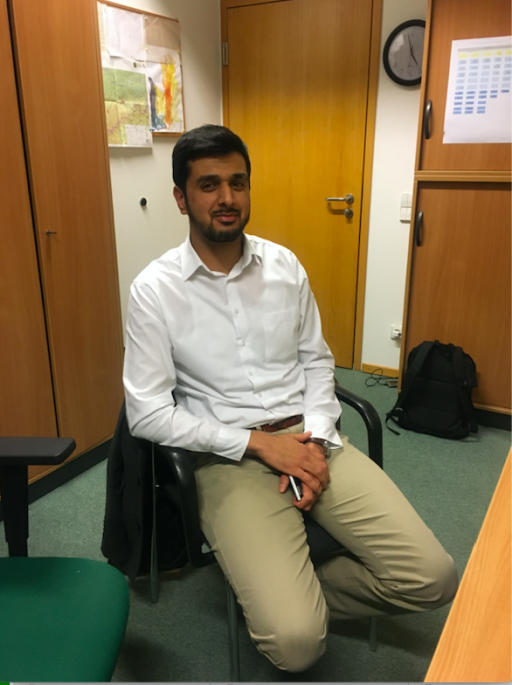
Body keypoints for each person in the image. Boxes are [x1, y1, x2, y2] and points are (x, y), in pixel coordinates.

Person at [123, 124, 458, 673]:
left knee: (434, 578)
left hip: (312, 437)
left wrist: (320, 441)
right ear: (181, 198)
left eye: (238, 183)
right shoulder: (154, 291)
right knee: (296, 648)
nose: (227, 199)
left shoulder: (285, 267)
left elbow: (317, 362)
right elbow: (149, 413)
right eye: (208, 186)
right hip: (227, 460)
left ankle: (287, 595)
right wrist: (257, 444)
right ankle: (283, 604)